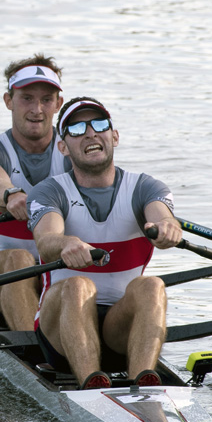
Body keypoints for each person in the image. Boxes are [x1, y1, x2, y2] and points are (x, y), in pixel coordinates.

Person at [27, 97, 182, 390]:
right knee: (78, 285)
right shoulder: (48, 191)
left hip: (119, 327)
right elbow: (46, 240)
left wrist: (167, 227)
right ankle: (90, 384)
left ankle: (144, 381)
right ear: (63, 147)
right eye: (76, 128)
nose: (90, 133)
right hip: (59, 331)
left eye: (99, 124)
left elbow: (162, 216)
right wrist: (66, 243)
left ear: (114, 136)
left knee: (152, 286)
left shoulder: (146, 187)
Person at [0, 54, 69, 331]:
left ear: (58, 104)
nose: (37, 109)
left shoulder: (74, 149)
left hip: (60, 276)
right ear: (8, 101)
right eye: (27, 98)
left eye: (47, 99)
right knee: (18, 260)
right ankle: (36, 347)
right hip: (2, 279)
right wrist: (10, 195)